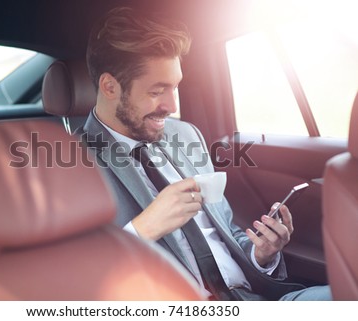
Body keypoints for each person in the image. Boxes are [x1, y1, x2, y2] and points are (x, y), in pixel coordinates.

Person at [82, 6, 331, 300]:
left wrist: (260, 254)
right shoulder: (70, 166)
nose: (172, 105)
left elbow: (225, 231)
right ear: (110, 87)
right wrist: (142, 230)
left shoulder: (186, 135)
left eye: (175, 87)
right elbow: (74, 281)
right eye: (156, 91)